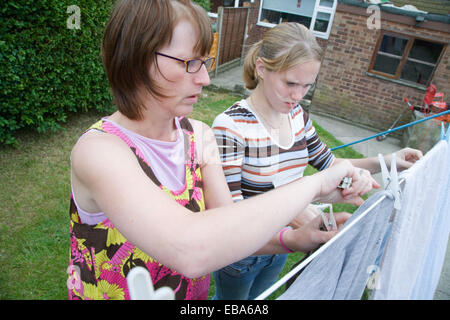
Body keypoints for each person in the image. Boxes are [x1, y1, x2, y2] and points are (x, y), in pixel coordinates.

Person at [68, 0, 378, 300]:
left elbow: (228, 230)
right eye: (189, 63)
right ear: (136, 59)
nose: (203, 78)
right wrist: (316, 184)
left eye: (204, 62)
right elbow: (190, 249)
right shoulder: (100, 150)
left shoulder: (199, 136)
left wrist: (291, 239)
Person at [211, 22, 423, 300]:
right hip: (245, 253)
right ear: (261, 69)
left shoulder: (297, 115)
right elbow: (231, 216)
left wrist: (386, 161)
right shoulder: (231, 126)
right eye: (290, 83)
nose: (298, 96)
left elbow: (329, 164)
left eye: (307, 85)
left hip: (286, 244)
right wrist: (298, 217)